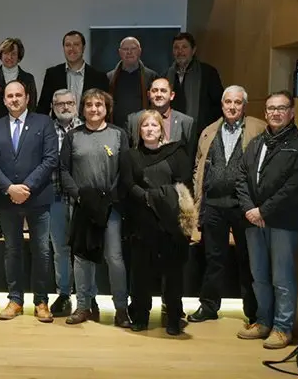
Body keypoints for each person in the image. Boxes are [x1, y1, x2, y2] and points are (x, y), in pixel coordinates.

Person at [235, 90, 298, 349]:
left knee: (282, 278)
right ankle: (263, 322)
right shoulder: (256, 143)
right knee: (259, 276)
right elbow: (241, 178)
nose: (275, 112)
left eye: (281, 108)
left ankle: (282, 328)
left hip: (282, 222)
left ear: (291, 112)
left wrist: (263, 211)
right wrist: (250, 209)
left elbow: (295, 187)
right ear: (265, 112)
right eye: (271, 108)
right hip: (253, 221)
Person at [188, 85, 265, 326]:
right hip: (213, 206)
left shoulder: (259, 129)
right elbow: (198, 167)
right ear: (222, 105)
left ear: (244, 105)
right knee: (214, 259)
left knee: (248, 259)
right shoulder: (209, 131)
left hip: (244, 206)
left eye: (237, 103)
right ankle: (209, 306)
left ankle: (254, 311)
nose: (232, 107)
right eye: (228, 102)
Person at [0, 80, 58, 323]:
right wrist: (9, 188)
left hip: (37, 197)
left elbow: (50, 159)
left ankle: (41, 301)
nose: (14, 99)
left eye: (19, 95)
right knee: (12, 250)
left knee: (42, 251)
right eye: (10, 96)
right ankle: (15, 299)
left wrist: (26, 187)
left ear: (27, 98)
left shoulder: (44, 122)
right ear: (4, 100)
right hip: (7, 200)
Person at [59, 89, 131, 327]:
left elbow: (125, 171)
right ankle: (83, 306)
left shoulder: (119, 135)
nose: (94, 109)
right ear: (83, 109)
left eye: (99, 104)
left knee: (114, 257)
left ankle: (121, 309)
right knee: (81, 258)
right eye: (89, 105)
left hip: (111, 207)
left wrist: (111, 198)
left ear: (106, 108)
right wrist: (78, 195)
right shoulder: (73, 136)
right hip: (82, 205)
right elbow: (64, 170)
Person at [121, 110, 196, 336]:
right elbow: (127, 184)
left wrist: (161, 198)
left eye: (154, 125)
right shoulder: (129, 155)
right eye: (145, 126)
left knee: (173, 273)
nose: (150, 129)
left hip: (170, 221)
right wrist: (148, 198)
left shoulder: (176, 152)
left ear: (161, 129)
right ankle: (141, 316)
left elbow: (183, 184)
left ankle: (173, 317)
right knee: (140, 273)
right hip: (142, 220)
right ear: (139, 130)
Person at [0, 37, 37, 241]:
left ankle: (24, 222)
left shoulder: (27, 78)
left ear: (19, 55)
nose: (9, 57)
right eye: (6, 53)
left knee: (20, 175)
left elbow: (34, 105)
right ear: (0, 55)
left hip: (22, 133)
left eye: (13, 53)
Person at [46, 89, 82, 318]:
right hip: (55, 197)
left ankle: (87, 298)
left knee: (83, 250)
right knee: (60, 250)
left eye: (69, 102)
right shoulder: (45, 130)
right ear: (53, 105)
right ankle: (64, 294)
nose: (66, 107)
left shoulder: (86, 128)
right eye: (60, 104)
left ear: (76, 103)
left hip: (81, 199)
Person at [36, 30, 109, 117]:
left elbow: (105, 109)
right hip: (59, 129)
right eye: (68, 45)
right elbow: (43, 107)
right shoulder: (52, 74)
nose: (71, 49)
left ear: (83, 48)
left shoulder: (99, 77)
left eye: (76, 45)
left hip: (89, 128)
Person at [166, 32, 224, 134]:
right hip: (172, 133)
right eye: (176, 48)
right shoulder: (166, 75)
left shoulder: (208, 73)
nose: (180, 51)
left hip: (201, 132)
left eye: (184, 47)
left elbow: (218, 104)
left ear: (193, 50)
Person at [125, 77, 195, 159]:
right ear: (148, 94)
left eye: (163, 91)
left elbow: (190, 155)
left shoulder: (186, 122)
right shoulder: (134, 119)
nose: (158, 94)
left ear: (171, 95)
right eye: (154, 91)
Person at [107, 36, 158, 130]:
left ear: (139, 51)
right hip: (116, 129)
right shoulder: (109, 77)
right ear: (119, 52)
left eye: (133, 49)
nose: (129, 52)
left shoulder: (151, 76)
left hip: (143, 130)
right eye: (125, 49)